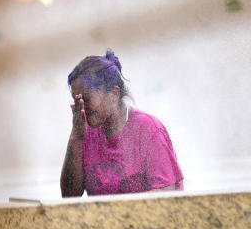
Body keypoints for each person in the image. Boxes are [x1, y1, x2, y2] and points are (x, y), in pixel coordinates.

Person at [60, 49, 184, 197]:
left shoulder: (148, 129)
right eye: (76, 99)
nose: (81, 106)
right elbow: (69, 196)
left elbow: (165, 195)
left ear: (114, 94)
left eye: (86, 99)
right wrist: (75, 138)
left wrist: (114, 214)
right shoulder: (85, 133)